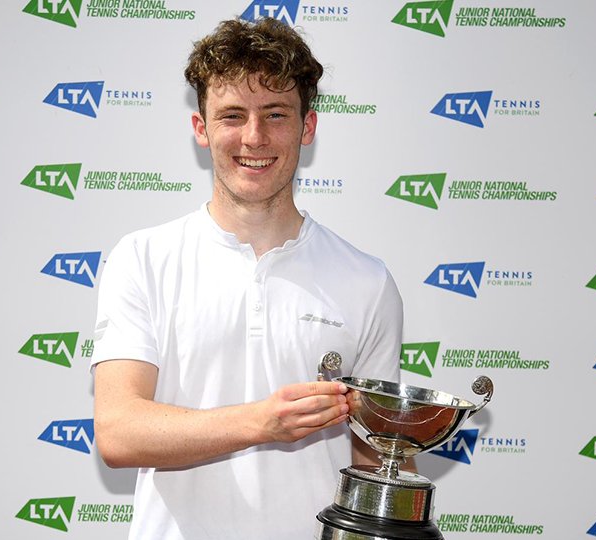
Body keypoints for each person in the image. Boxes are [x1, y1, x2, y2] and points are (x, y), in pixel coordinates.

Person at [91, 17, 404, 540]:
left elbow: (378, 456)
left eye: (275, 114)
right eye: (232, 115)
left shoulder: (367, 280)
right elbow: (119, 432)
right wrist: (260, 422)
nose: (254, 137)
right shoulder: (143, 258)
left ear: (307, 127)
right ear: (201, 128)